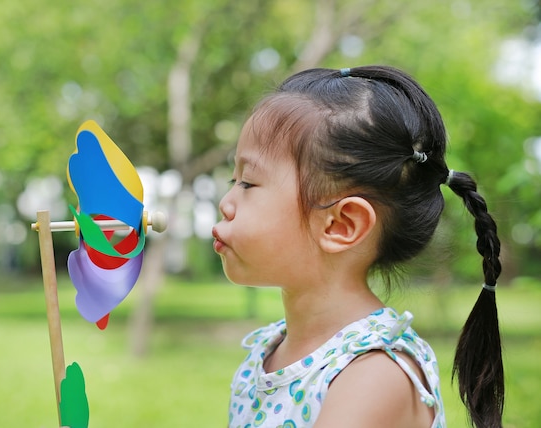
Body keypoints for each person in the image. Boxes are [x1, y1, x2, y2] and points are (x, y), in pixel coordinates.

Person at [212, 65, 503, 428]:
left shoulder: (372, 377)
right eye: (233, 178)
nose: (226, 202)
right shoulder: (269, 350)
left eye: (249, 183)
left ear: (341, 224)